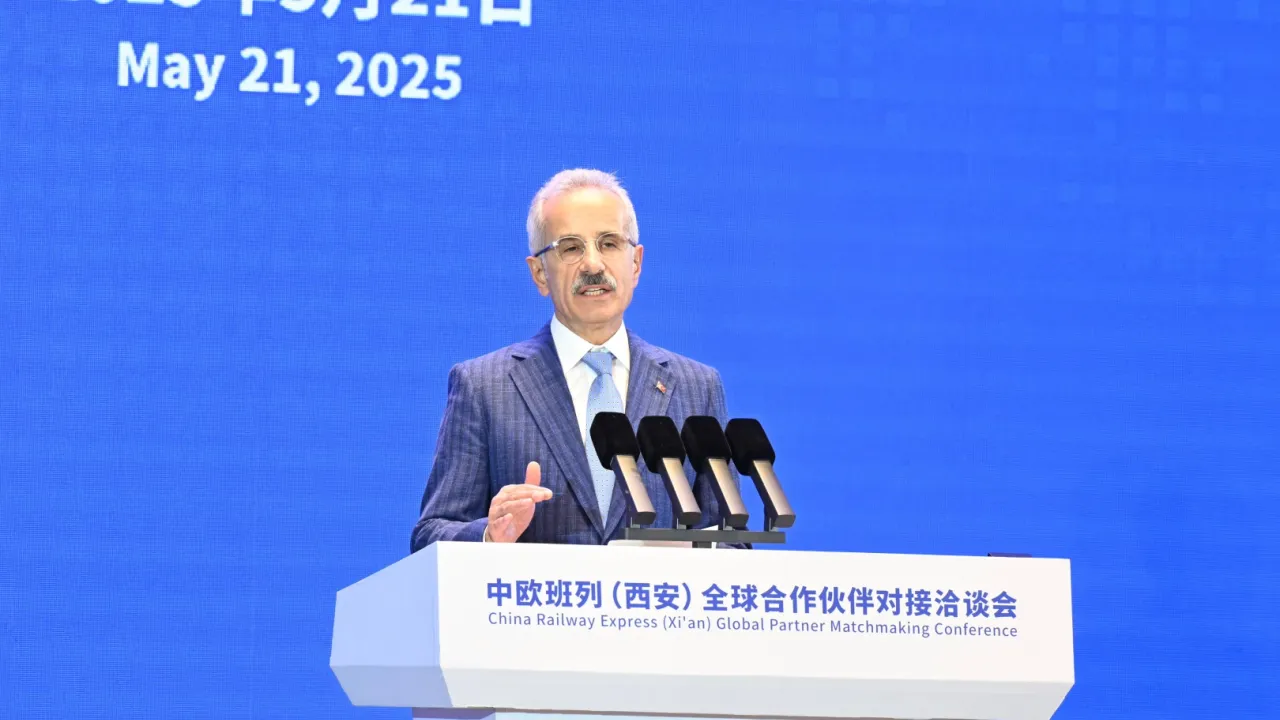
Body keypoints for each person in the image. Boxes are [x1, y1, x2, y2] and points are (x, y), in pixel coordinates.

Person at [410, 168, 741, 550]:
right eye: (570, 248)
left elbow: (732, 540)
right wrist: (489, 535)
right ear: (539, 273)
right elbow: (431, 534)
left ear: (636, 263)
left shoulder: (696, 388)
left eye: (609, 243)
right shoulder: (484, 387)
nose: (593, 265)